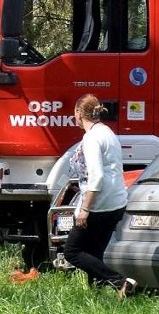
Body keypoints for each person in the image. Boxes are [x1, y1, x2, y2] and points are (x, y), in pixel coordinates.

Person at [64, 94, 137, 298]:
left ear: (78, 113)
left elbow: (96, 176)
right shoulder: (107, 132)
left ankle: (120, 281)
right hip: (116, 201)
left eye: (74, 112)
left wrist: (85, 210)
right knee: (95, 253)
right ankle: (95, 298)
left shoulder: (91, 138)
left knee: (72, 251)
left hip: (99, 203)